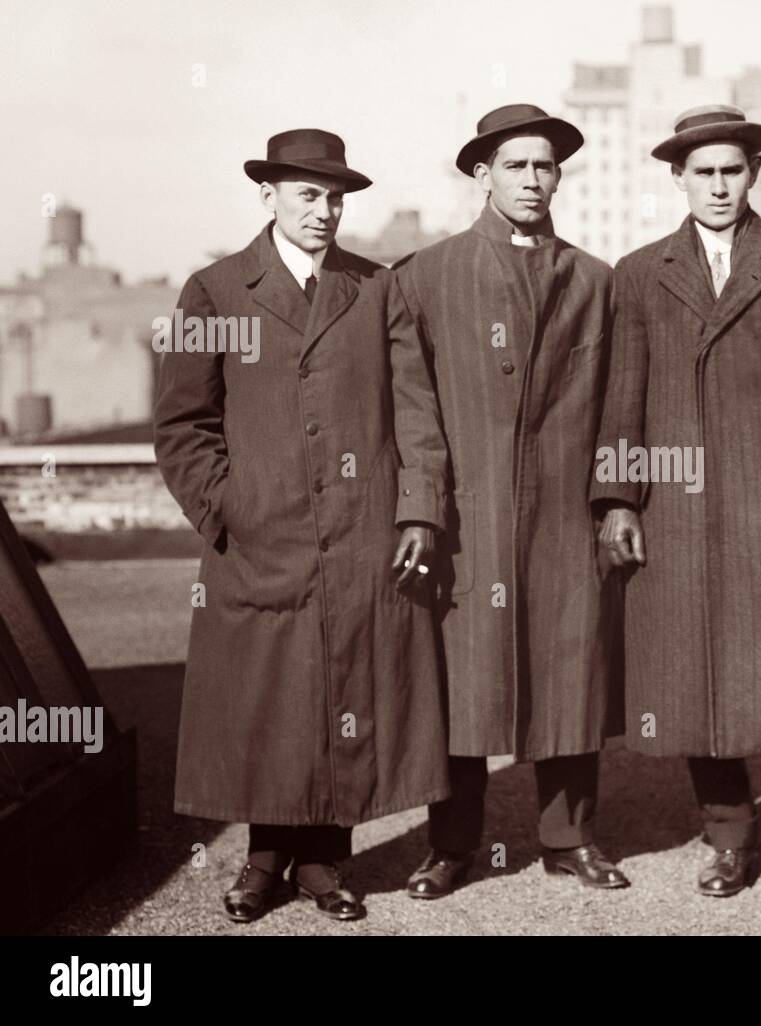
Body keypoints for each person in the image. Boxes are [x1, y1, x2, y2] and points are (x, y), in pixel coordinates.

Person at [154, 129, 448, 923]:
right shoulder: (213, 291)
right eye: (309, 195)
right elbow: (182, 425)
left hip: (361, 535)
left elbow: (417, 411)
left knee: (342, 689)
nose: (325, 211)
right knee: (266, 697)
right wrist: (229, 505)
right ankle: (263, 861)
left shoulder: (379, 287)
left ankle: (324, 864)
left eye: (337, 197)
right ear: (269, 196)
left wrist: (418, 506)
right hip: (258, 536)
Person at [595, 105, 761, 912]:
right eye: (702, 172)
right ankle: (727, 840)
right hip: (676, 510)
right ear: (678, 178)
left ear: (754, 175)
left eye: (732, 171)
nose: (718, 186)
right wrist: (618, 499)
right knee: (693, 678)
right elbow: (621, 398)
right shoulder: (638, 273)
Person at [391, 104, 628, 898]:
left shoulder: (594, 280)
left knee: (571, 670)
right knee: (460, 682)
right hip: (469, 517)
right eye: (517, 166)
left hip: (564, 517)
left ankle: (570, 838)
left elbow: (618, 404)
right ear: (482, 174)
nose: (533, 180)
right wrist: (422, 507)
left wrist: (613, 501)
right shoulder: (427, 275)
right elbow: (411, 406)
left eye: (546, 166)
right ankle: (452, 845)